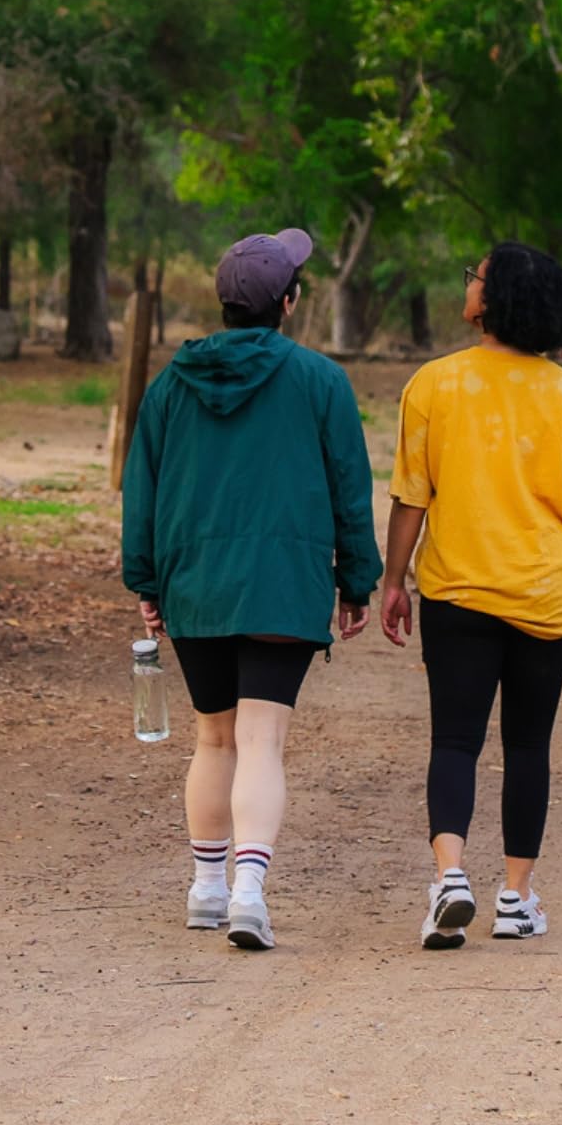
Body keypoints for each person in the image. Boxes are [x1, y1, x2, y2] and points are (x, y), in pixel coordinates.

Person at [122, 228, 381, 951]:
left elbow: (140, 489)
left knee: (214, 736)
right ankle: (248, 893)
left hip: (195, 585)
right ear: (289, 303)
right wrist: (357, 579)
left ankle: (205, 889)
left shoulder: (170, 385)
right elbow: (349, 489)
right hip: (284, 584)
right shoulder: (321, 381)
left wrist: (146, 579)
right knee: (261, 739)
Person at [379, 242, 562, 948]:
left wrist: (394, 581)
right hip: (544, 597)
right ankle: (516, 896)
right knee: (525, 749)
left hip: (458, 593)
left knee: (454, 739)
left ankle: (451, 875)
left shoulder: (435, 384)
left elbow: (410, 501)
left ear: (495, 297)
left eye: (474, 275)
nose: (468, 283)